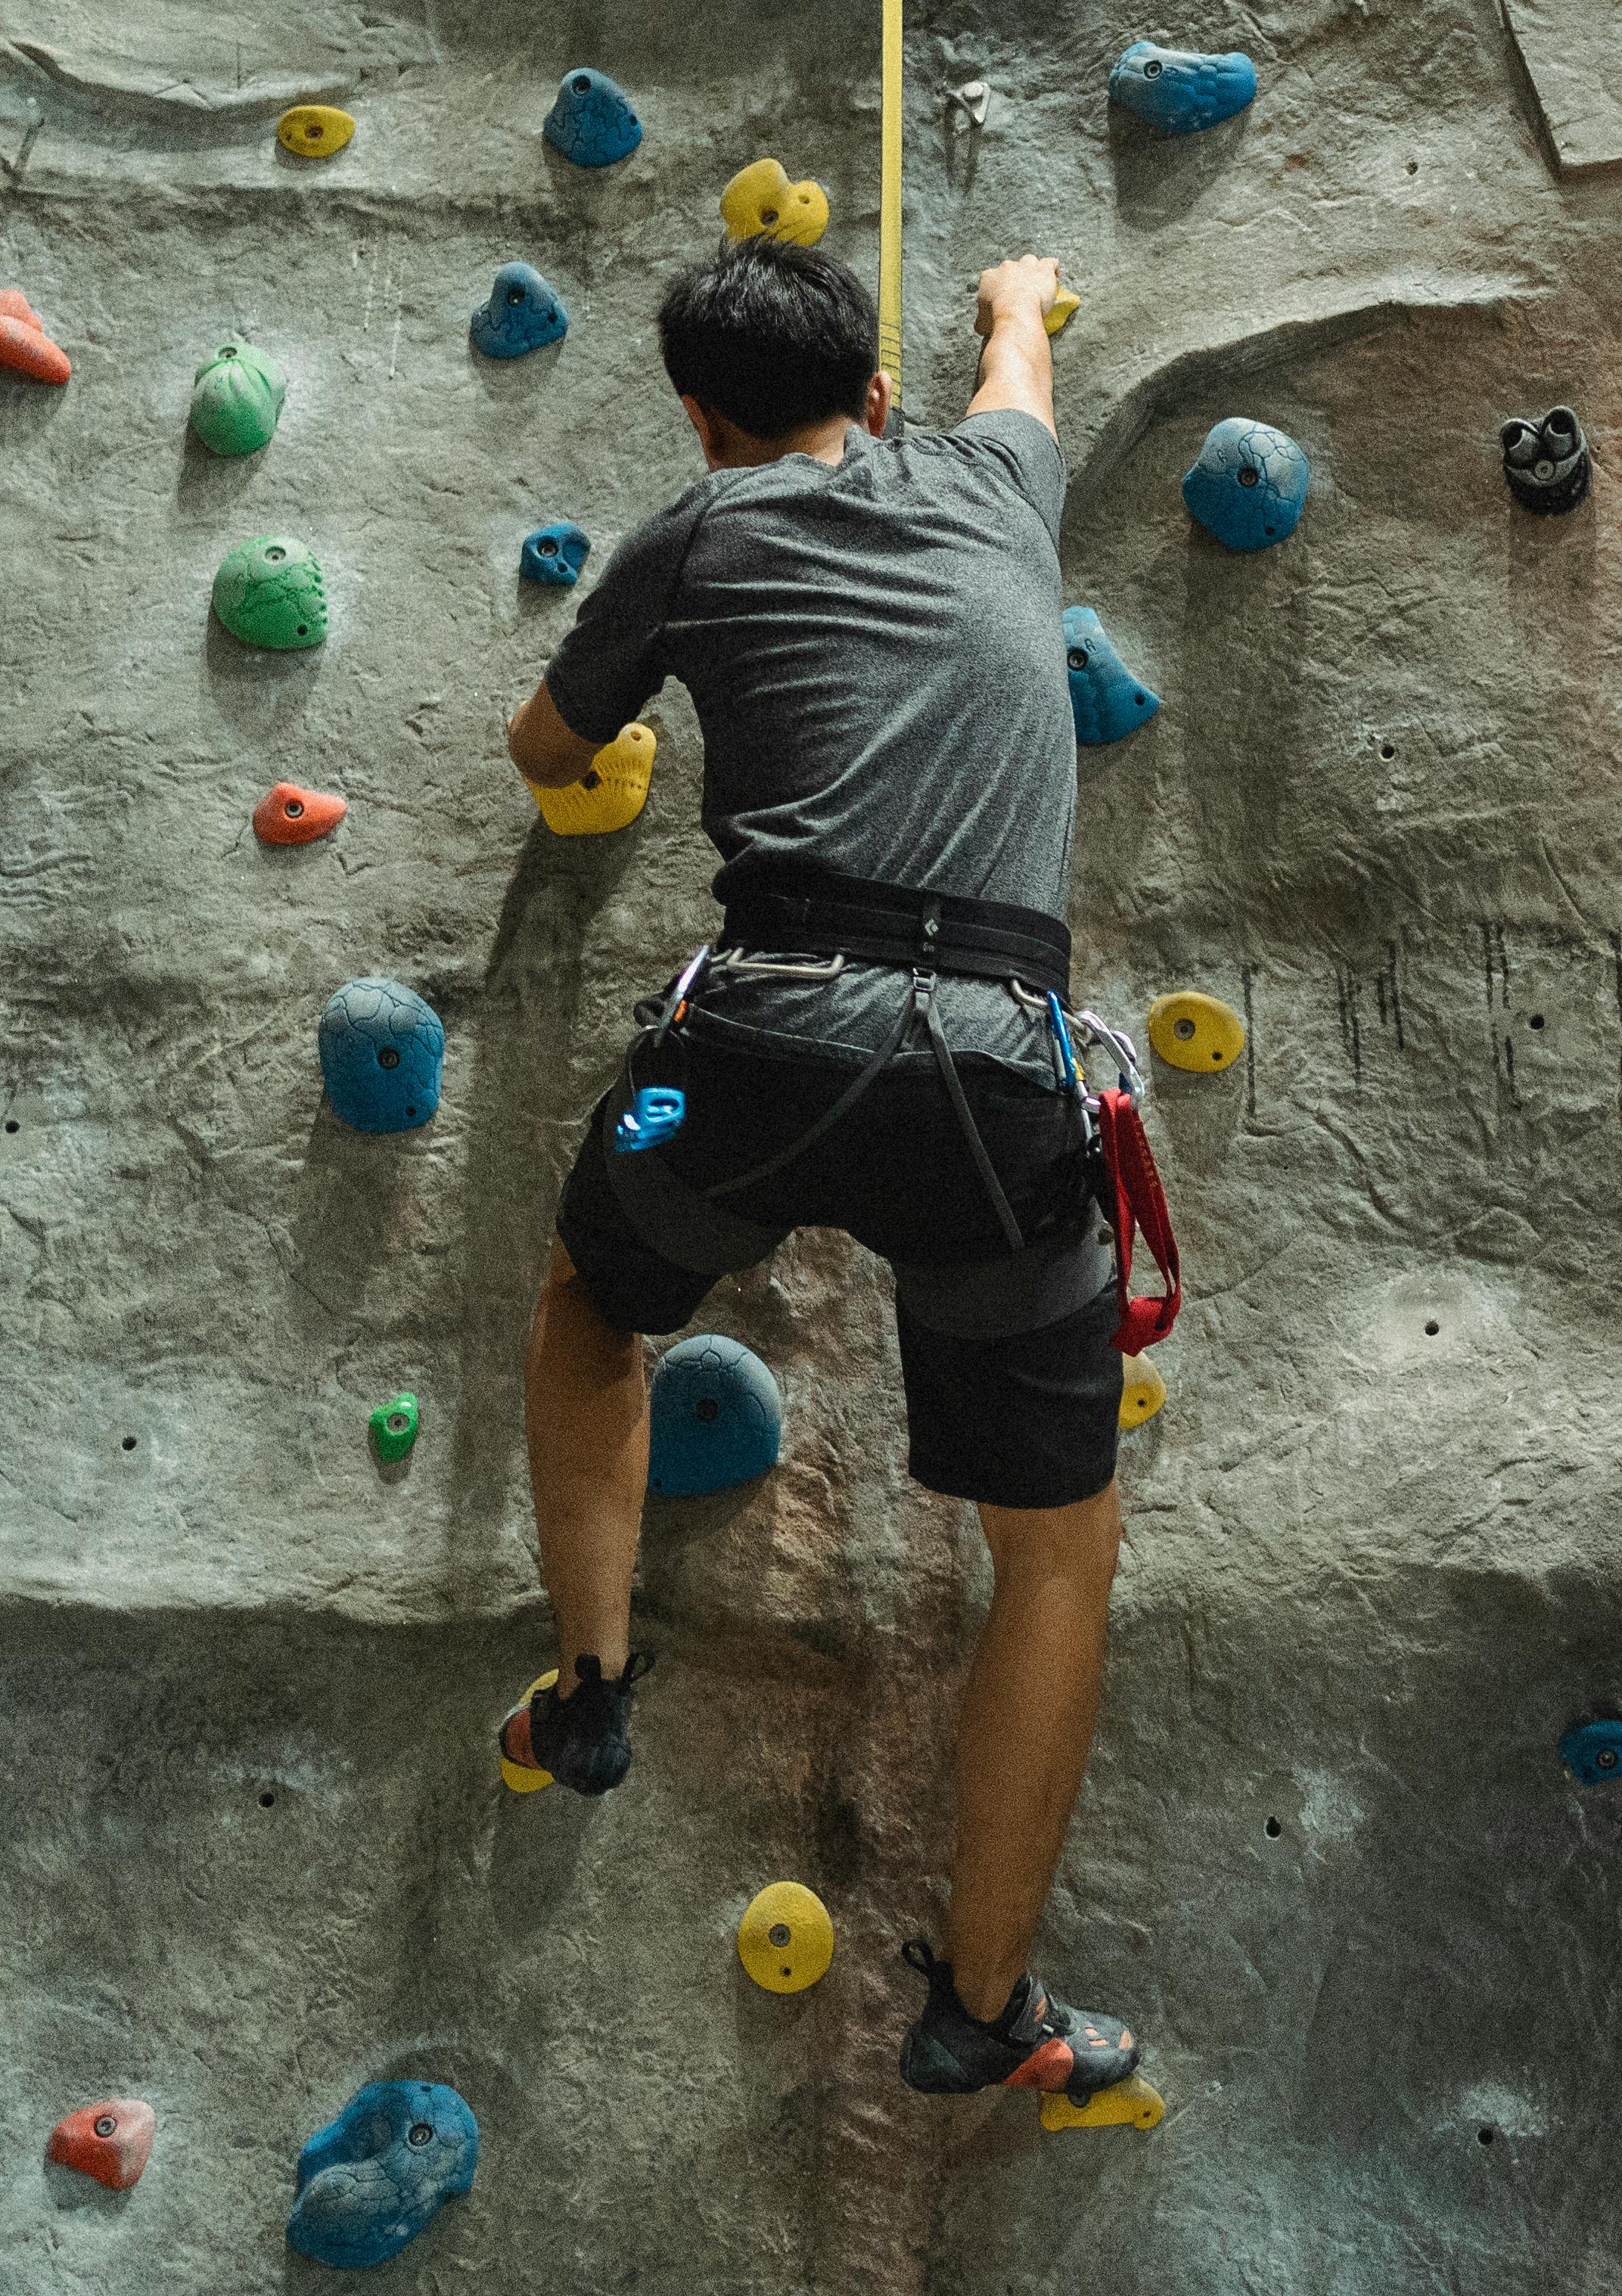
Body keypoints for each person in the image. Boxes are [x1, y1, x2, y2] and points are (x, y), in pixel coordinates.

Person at [495, 232, 1144, 2105]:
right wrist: (1013, 296)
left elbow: (546, 747)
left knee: (592, 1296)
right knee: (1055, 1551)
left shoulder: (693, 534)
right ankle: (985, 2001)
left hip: (758, 1043)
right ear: (879, 394)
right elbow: (1021, 357)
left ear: (701, 417)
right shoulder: (999, 476)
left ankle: (601, 1683)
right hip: (996, 1085)